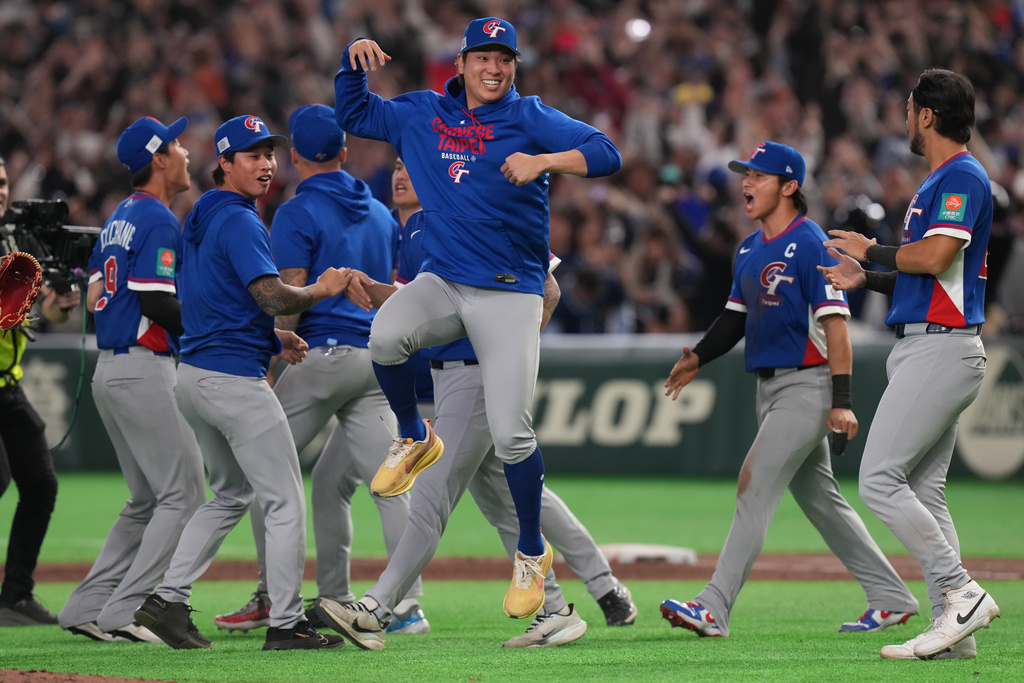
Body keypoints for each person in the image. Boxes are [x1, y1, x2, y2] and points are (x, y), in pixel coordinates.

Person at [331, 15, 622, 620]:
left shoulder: (528, 116)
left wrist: (546, 162)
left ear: (514, 66)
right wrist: (350, 64)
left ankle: (532, 554)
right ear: (459, 64)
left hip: (509, 291)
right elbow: (356, 116)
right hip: (446, 280)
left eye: (505, 59)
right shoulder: (421, 113)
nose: (494, 68)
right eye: (483, 57)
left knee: (514, 436)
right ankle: (413, 435)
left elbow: (606, 151)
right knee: (384, 334)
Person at [310, 159, 637, 650]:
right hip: (448, 378)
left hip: (476, 374)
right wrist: (377, 294)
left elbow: (546, 286)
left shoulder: (472, 212)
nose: (403, 173)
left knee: (430, 496)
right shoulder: (413, 229)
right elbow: (425, 306)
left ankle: (377, 609)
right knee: (509, 507)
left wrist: (513, 357)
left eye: (413, 164)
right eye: (398, 164)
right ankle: (555, 610)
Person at [659, 141, 919, 639]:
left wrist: (842, 402)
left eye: (758, 176)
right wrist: (697, 355)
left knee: (751, 485)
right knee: (822, 500)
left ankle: (714, 606)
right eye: (745, 175)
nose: (746, 184)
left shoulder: (812, 243)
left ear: (790, 185)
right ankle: (890, 595)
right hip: (770, 389)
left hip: (809, 386)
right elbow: (734, 319)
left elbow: (837, 329)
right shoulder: (749, 247)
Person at [132, 114, 351, 652]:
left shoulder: (201, 214)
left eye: (270, 153)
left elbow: (213, 301)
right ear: (224, 164)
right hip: (232, 380)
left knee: (230, 494)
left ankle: (167, 601)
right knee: (284, 502)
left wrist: (272, 338)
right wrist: (321, 291)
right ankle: (286, 624)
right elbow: (272, 295)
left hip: (196, 375)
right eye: (251, 155)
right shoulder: (241, 219)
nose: (266, 163)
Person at [212, 105, 429, 635]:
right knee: (381, 484)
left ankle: (271, 594)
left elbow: (287, 295)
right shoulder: (380, 210)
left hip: (318, 356)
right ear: (343, 152)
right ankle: (396, 605)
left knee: (266, 475)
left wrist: (267, 355)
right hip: (375, 361)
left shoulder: (295, 211)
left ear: (294, 158)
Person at [820, 68, 1000, 661]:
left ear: (926, 114)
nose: (904, 117)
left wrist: (870, 248)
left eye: (908, 108)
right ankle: (954, 637)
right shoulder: (942, 179)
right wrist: (866, 276)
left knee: (879, 479)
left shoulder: (962, 176)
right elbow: (930, 275)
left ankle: (961, 593)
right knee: (926, 488)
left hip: (941, 347)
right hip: (932, 339)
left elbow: (937, 253)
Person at [58, 117, 205, 643]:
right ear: (159, 159)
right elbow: (156, 301)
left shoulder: (117, 217)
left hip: (111, 367)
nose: (186, 150)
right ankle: (125, 609)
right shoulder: (159, 219)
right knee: (185, 491)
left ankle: (85, 606)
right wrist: (215, 329)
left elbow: (99, 296)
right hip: (143, 367)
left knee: (147, 499)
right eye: (177, 143)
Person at [0, 154, 81, 626]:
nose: (1, 191)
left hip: (7, 385)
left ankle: (15, 595)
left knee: (40, 484)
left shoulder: (16, 238)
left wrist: (57, 305)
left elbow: (46, 318)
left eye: (4, 182)